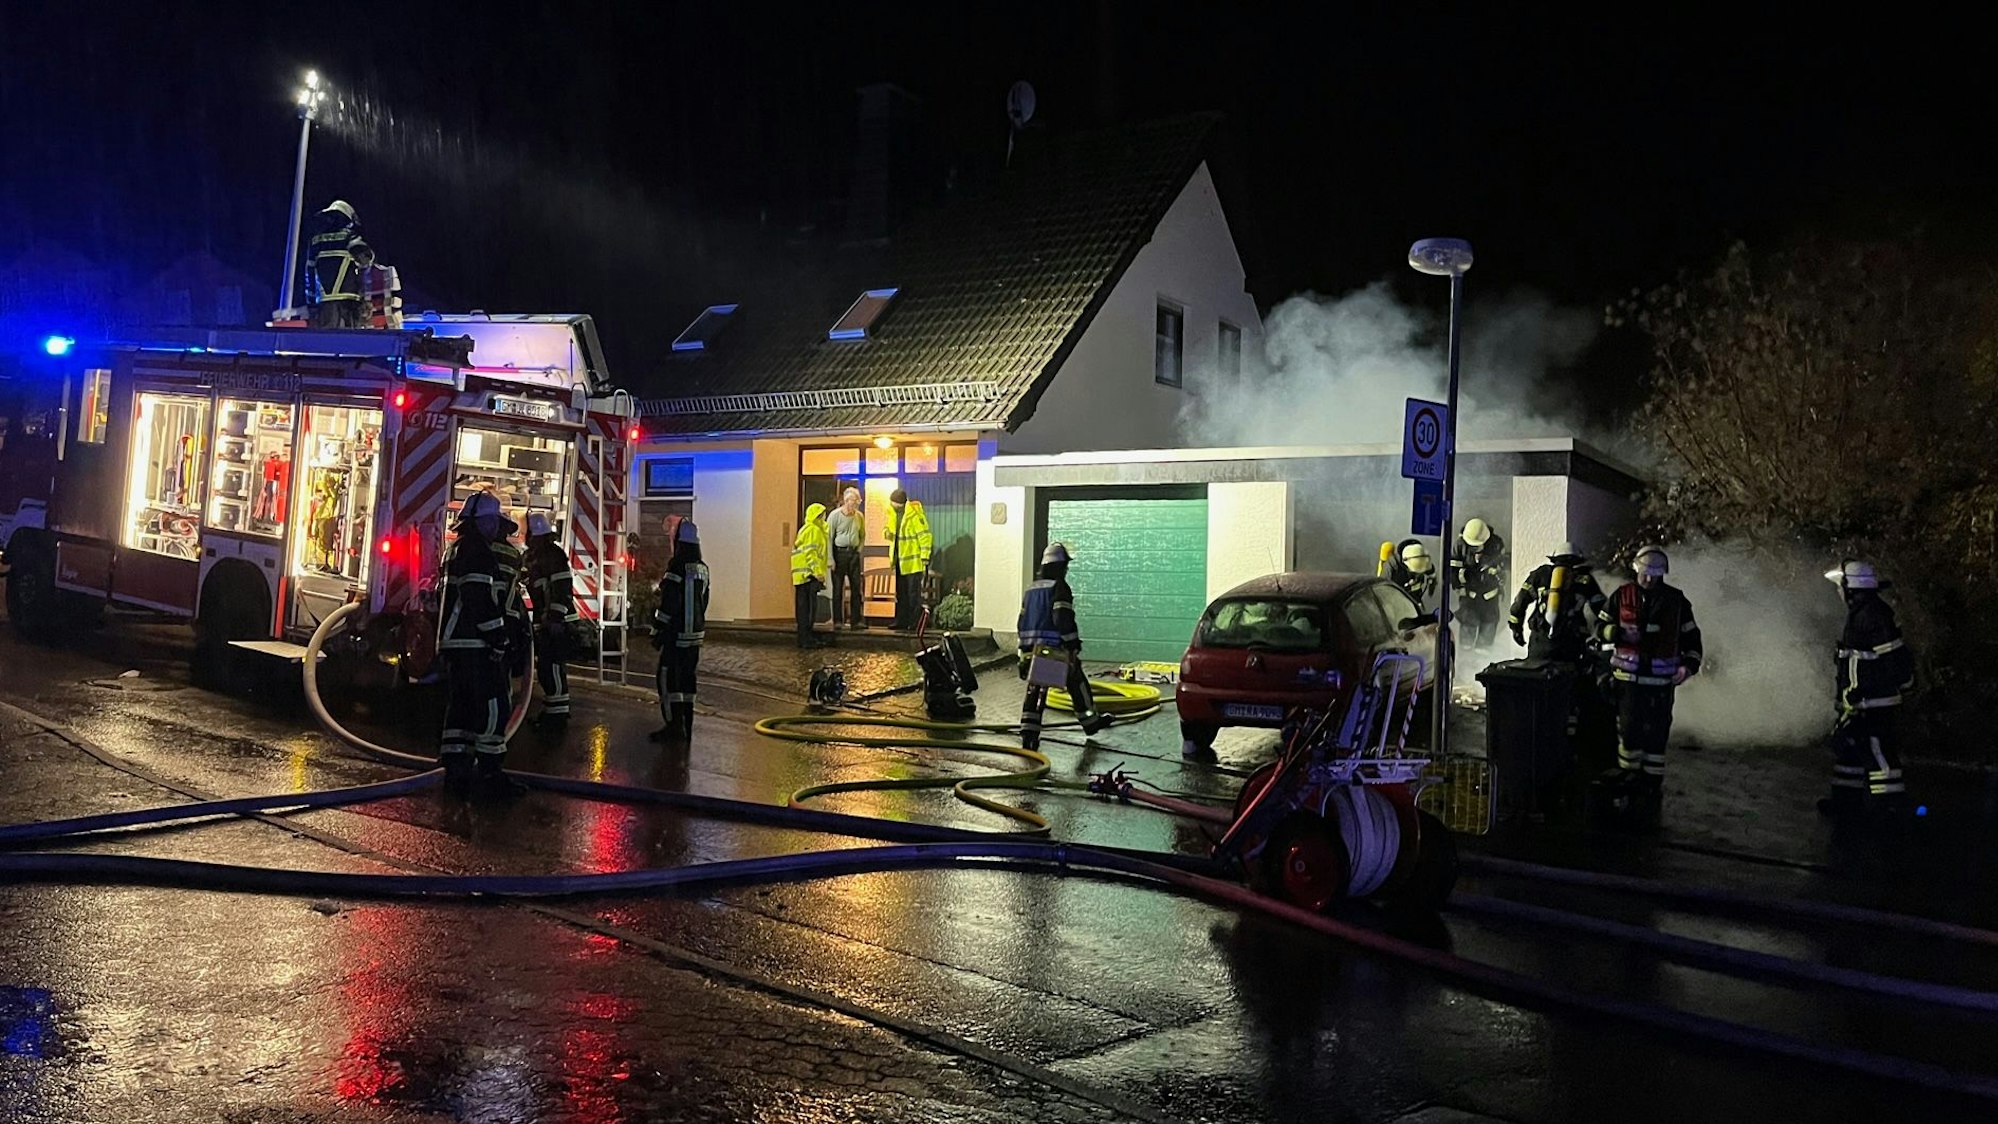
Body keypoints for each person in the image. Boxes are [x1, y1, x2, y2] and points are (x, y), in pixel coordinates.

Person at [1599, 545, 1702, 821]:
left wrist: (1688, 666)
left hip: (1659, 684)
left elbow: (1692, 640)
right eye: (1644, 573)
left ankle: (1651, 788)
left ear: (1661, 575)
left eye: (1653, 574)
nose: (1648, 579)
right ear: (1636, 570)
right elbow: (1599, 628)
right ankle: (1628, 779)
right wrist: (1619, 633)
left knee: (1656, 737)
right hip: (1628, 681)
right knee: (1629, 733)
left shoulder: (1676, 602)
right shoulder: (1622, 596)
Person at [1819, 560, 1914, 828]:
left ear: (1851, 588)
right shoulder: (1861, 613)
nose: (1838, 592)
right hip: (1859, 700)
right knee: (1850, 752)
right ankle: (1846, 804)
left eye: (1841, 587)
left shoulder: (1872, 615)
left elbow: (1893, 658)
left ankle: (1890, 809)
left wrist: (1870, 692)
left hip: (1873, 702)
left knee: (1878, 755)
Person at [435, 492, 518, 797]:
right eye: (494, 521)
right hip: (474, 643)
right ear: (483, 521)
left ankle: (456, 771)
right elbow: (479, 600)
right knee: (495, 704)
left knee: (461, 708)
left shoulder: (456, 549)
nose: (497, 528)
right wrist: (498, 638)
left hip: (456, 643)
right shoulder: (478, 552)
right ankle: (490, 773)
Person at [1017, 542, 1109, 750]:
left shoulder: (1031, 589)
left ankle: (1028, 731)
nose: (1066, 570)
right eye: (1065, 566)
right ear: (1058, 567)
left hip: (1031, 650)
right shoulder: (1059, 587)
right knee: (1077, 682)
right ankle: (1090, 722)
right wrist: (1073, 645)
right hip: (1054, 650)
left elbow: (1021, 621)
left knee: (1035, 689)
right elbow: (1062, 618)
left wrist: (1023, 650)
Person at [650, 520, 710, 742]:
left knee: (668, 678)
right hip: (695, 635)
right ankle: (687, 723)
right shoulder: (703, 568)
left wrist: (658, 631)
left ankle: (673, 726)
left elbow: (669, 604)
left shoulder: (676, 567)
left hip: (675, 635)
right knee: (688, 679)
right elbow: (704, 601)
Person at [521, 512, 581, 726]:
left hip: (558, 622)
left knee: (552, 667)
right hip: (547, 621)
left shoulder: (553, 556)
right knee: (547, 667)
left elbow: (561, 589)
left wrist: (555, 619)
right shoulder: (536, 556)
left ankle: (557, 715)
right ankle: (553, 710)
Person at [1509, 541, 1608, 661]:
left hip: (1540, 640)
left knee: (1537, 674)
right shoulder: (1585, 579)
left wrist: (1516, 629)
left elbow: (1520, 602)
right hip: (1571, 641)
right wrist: (1606, 631)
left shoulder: (1540, 574)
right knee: (1569, 677)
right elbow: (1602, 607)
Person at [305, 200, 374, 329]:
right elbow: (366, 258)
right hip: (348, 303)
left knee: (326, 343)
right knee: (351, 343)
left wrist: (311, 302)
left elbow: (309, 272)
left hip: (324, 304)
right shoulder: (350, 237)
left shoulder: (316, 241)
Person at [1450, 518, 1508, 650]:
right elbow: (1453, 570)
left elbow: (1503, 564)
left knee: (1489, 622)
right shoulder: (1460, 545)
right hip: (1469, 594)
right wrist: (1459, 583)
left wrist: (1496, 571)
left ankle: (1483, 656)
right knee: (1468, 622)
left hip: (1490, 594)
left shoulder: (1496, 543)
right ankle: (1466, 653)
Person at [886, 488, 932, 629]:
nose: (891, 504)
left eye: (893, 502)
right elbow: (889, 529)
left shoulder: (914, 515)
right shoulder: (893, 514)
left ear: (900, 503)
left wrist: (925, 556)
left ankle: (914, 622)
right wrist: (886, 532)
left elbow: (925, 536)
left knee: (913, 595)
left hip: (913, 563)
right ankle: (901, 620)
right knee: (901, 593)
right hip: (899, 560)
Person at [791, 502, 832, 648]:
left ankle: (806, 637)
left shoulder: (808, 529)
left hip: (803, 575)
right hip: (808, 575)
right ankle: (806, 639)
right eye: (822, 515)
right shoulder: (813, 530)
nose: (824, 517)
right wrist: (817, 573)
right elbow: (811, 553)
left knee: (804, 608)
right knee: (807, 609)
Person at [827, 487, 865, 630]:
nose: (855, 505)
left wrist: (859, 550)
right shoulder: (835, 516)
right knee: (838, 588)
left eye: (857, 502)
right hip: (839, 553)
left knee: (856, 588)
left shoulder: (859, 516)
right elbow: (829, 538)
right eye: (853, 502)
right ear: (846, 501)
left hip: (853, 554)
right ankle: (838, 620)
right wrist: (831, 559)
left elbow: (862, 535)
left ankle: (856, 621)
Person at [1389, 539, 1437, 608]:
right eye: (1414, 572)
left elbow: (1432, 576)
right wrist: (1406, 586)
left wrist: (1431, 586)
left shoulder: (1423, 560)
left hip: (1416, 597)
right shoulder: (1393, 566)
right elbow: (1387, 591)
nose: (1416, 575)